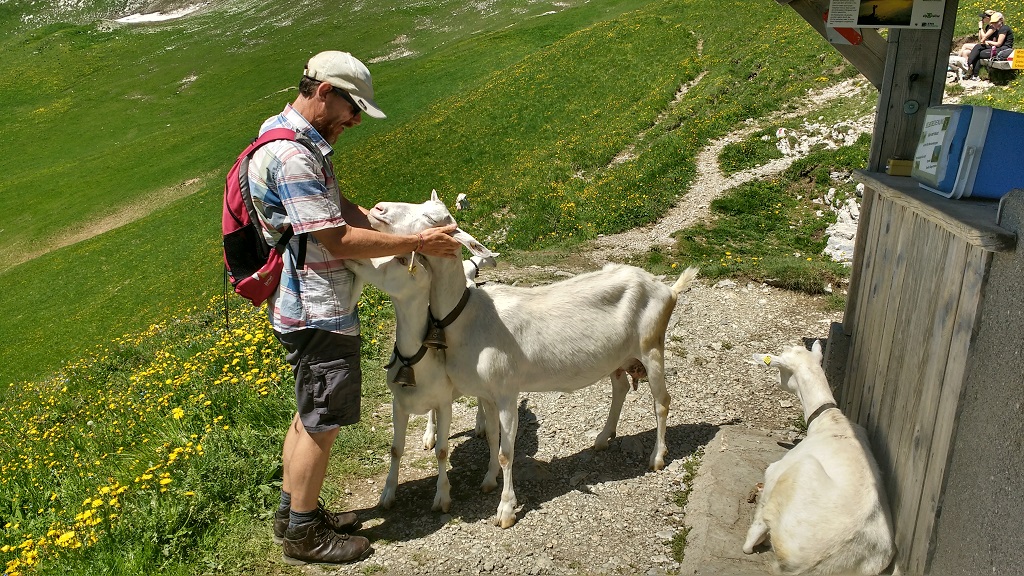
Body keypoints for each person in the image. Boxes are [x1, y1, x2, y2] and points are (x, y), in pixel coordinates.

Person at [246, 50, 462, 565]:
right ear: (324, 91)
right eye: (352, 106)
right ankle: (304, 536)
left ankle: (294, 512)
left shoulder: (283, 134)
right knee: (324, 420)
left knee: (308, 414)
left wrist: (377, 219)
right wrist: (417, 244)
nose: (356, 119)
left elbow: (334, 210)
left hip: (301, 303)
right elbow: (336, 240)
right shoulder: (295, 157)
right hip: (317, 306)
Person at [968, 12, 1015, 80]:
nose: (993, 24)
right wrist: (986, 42)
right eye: (992, 22)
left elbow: (999, 43)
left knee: (979, 54)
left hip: (1004, 50)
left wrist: (988, 42)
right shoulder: (998, 29)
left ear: (1001, 20)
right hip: (998, 48)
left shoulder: (1004, 28)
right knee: (978, 47)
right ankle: (971, 68)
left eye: (995, 22)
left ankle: (971, 69)